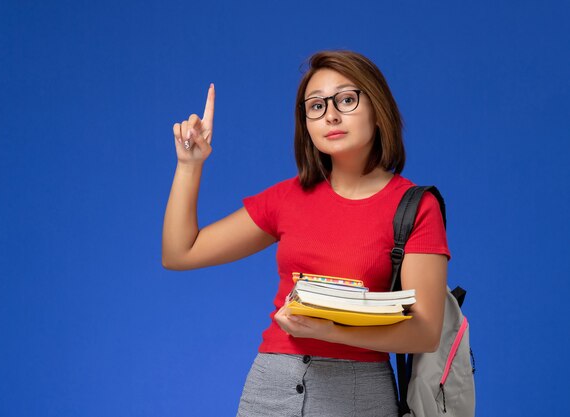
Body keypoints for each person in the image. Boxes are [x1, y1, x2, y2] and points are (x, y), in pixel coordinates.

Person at [162, 50, 450, 417]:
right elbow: (179, 253)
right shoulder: (286, 197)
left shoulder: (415, 207)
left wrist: (329, 331)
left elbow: (425, 333)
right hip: (271, 387)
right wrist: (189, 166)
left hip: (359, 394)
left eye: (346, 100)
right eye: (315, 106)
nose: (330, 115)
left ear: (378, 110)